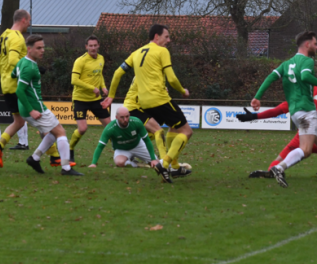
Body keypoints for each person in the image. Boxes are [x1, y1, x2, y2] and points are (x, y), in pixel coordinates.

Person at [251, 31, 317, 189]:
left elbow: (271, 77)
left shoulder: (287, 63)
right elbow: (305, 77)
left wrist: (257, 96)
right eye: (315, 44)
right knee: (306, 150)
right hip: (306, 111)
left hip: (296, 111)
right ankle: (279, 167)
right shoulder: (307, 61)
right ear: (307, 44)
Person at [103, 24, 192, 178]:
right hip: (160, 99)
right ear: (156, 37)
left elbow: (117, 73)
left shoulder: (136, 53)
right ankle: (164, 164)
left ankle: (175, 165)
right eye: (166, 37)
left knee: (172, 128)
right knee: (186, 131)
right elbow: (171, 78)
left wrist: (111, 96)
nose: (168, 40)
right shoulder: (162, 51)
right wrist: (183, 90)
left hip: (144, 104)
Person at [241, 86, 317, 188]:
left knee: (281, 159)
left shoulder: (298, 95)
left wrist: (254, 116)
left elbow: (276, 111)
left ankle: (275, 169)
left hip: (306, 136)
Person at [13, 34, 82, 176]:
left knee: (52, 132)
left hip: (26, 106)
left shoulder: (22, 62)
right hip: (34, 107)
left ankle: (35, 158)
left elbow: (14, 75)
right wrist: (31, 110)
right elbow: (19, 90)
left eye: (43, 47)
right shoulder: (29, 67)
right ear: (29, 49)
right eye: (39, 48)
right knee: (61, 132)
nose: (42, 50)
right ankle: (66, 168)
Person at [0, 9, 31, 166]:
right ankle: (56, 156)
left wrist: (5, 68)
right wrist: (28, 67)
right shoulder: (17, 37)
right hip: (18, 86)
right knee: (41, 117)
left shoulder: (2, 37)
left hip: (5, 86)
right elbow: (14, 59)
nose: (29, 24)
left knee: (19, 122)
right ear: (23, 20)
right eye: (29, 20)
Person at [88, 107, 172, 183]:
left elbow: (147, 140)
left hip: (138, 145)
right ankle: (135, 163)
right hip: (122, 149)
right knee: (119, 163)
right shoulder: (110, 128)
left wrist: (153, 159)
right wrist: (93, 163)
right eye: (122, 117)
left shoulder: (136, 122)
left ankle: (175, 167)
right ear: (116, 117)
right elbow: (100, 146)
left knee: (156, 164)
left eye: (127, 116)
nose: (125, 119)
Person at [68, 35, 110, 163]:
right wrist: (92, 88)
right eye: (90, 46)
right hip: (80, 99)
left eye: (95, 45)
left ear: (98, 46)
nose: (92, 48)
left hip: (96, 100)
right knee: (82, 129)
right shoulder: (80, 61)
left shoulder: (101, 58)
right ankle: (70, 149)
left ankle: (124, 152)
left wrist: (103, 87)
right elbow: (74, 80)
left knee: (110, 127)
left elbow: (99, 74)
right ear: (86, 47)